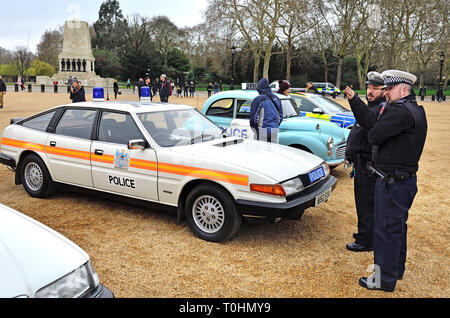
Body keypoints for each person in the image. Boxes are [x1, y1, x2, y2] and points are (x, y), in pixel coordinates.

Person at [346, 70, 427, 293]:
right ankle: (395, 269)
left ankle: (382, 279)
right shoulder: (414, 109)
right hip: (402, 181)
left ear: (403, 89)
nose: (386, 93)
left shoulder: (399, 110)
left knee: (386, 231)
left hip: (393, 183)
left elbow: (373, 135)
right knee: (396, 228)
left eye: (390, 89)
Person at [344, 72, 386, 253]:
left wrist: (354, 100)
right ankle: (365, 233)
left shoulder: (379, 108)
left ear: (384, 91)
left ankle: (366, 240)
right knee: (363, 202)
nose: (370, 91)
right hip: (361, 163)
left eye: (375, 88)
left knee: (366, 203)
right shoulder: (373, 107)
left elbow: (367, 121)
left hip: (368, 165)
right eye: (369, 87)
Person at [249, 78, 283, 143]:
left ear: (259, 88)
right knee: (271, 151)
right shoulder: (276, 98)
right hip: (274, 130)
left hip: (262, 130)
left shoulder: (258, 99)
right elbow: (280, 116)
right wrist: (275, 125)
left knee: (261, 151)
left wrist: (256, 129)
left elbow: (252, 118)